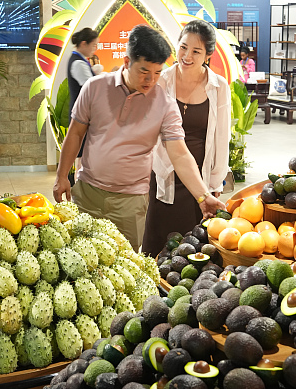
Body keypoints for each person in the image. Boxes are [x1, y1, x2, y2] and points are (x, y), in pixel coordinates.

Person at [52, 24, 225, 250]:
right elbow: (75, 133)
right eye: (144, 71)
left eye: (157, 73)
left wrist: (203, 196)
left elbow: (180, 154)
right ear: (126, 62)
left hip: (130, 201)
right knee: (81, 261)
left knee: (124, 268)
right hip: (87, 193)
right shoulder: (94, 88)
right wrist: (62, 175)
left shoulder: (164, 104)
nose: (150, 80)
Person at [142, 20, 230, 256]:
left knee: (192, 246)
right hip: (164, 172)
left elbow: (222, 136)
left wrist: (214, 182)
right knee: (157, 240)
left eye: (196, 51)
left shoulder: (219, 86)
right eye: (183, 47)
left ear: (208, 55)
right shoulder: (163, 80)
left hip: (198, 177)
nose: (187, 56)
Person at [67, 27, 98, 160]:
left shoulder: (80, 60)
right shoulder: (78, 63)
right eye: (93, 45)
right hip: (82, 117)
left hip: (83, 116)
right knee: (82, 159)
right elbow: (91, 88)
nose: (95, 49)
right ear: (84, 43)